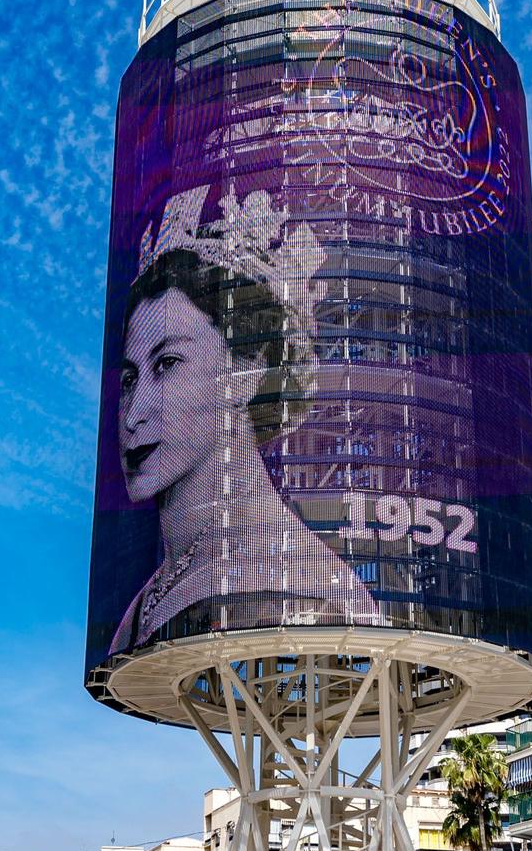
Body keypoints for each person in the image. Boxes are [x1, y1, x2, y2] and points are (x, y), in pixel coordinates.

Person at [108, 195, 383, 655]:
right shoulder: (152, 597)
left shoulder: (297, 576)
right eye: (130, 377)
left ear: (247, 372)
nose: (134, 413)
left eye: (167, 364)